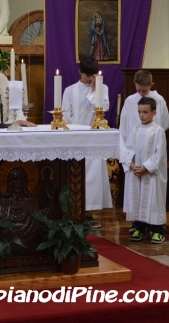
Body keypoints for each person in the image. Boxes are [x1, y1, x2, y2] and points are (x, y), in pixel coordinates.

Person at [62, 57, 111, 228]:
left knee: (93, 178)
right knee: (76, 175)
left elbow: (103, 108)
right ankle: (74, 212)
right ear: (79, 72)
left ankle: (89, 213)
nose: (91, 79)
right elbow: (65, 114)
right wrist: (76, 129)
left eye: (93, 75)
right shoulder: (70, 90)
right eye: (87, 75)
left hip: (94, 137)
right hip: (76, 137)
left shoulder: (102, 88)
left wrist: (94, 91)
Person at [124, 97, 168, 244]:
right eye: (139, 112)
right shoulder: (135, 130)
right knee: (137, 199)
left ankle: (157, 230)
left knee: (153, 200)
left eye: (145, 112)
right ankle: (138, 228)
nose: (141, 115)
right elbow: (127, 149)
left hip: (151, 174)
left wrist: (145, 168)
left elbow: (160, 154)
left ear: (154, 113)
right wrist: (132, 165)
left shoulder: (158, 131)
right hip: (136, 171)